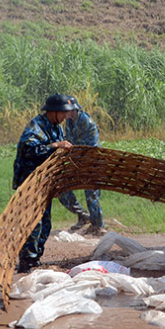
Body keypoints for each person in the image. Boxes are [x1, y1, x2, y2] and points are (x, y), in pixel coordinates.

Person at [14, 94, 78, 272]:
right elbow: (30, 150)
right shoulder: (35, 127)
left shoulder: (56, 128)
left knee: (46, 223)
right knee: (33, 223)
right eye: (63, 113)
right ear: (53, 111)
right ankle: (26, 262)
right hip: (30, 182)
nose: (66, 116)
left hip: (45, 182)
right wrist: (55, 146)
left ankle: (35, 259)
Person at [57, 97, 105, 235]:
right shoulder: (69, 123)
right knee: (62, 190)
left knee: (91, 194)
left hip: (92, 162)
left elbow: (88, 147)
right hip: (78, 161)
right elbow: (69, 141)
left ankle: (98, 225)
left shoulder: (85, 121)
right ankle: (83, 216)